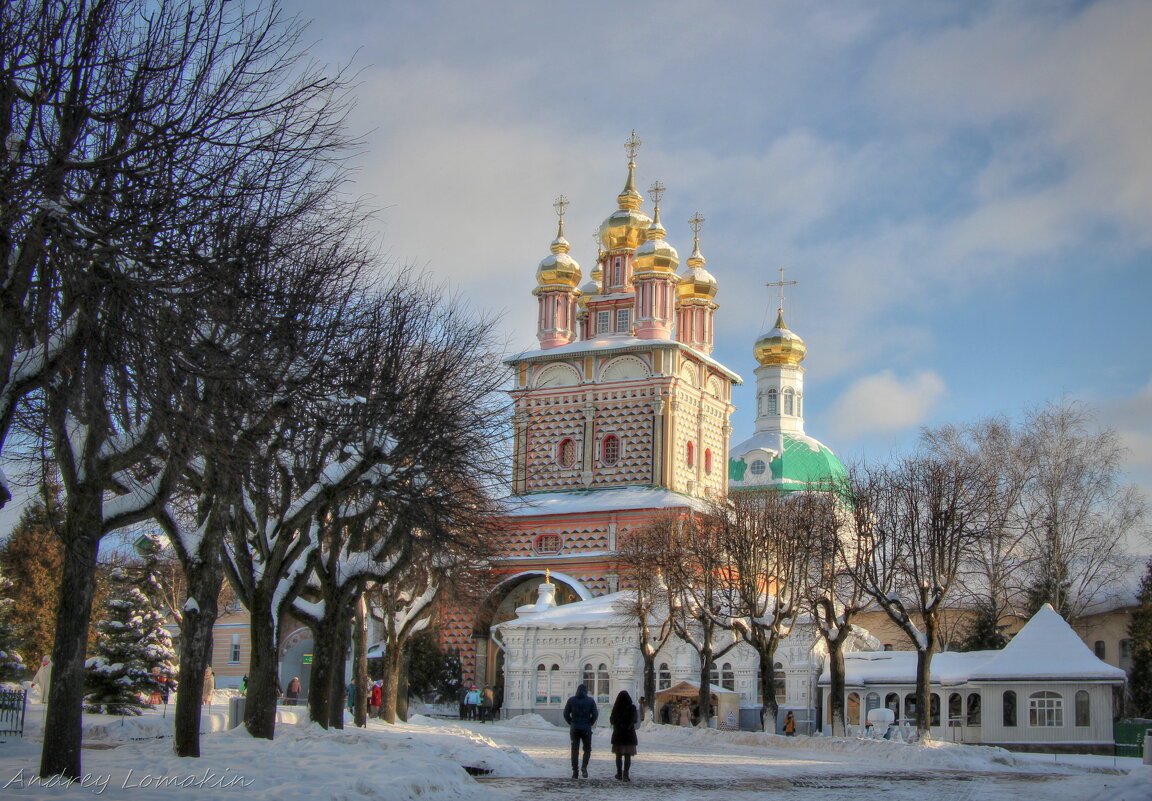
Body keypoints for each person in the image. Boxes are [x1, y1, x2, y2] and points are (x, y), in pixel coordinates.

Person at [563, 683, 598, 779]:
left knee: (574, 749)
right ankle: (584, 766)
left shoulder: (571, 700)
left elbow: (566, 714)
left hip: (575, 728)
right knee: (587, 749)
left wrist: (571, 722)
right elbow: (595, 714)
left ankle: (575, 771)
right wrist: (590, 723)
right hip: (586, 728)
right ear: (586, 691)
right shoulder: (590, 701)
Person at [609, 690, 638, 781]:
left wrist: (619, 723)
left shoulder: (616, 708)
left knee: (618, 755)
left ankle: (619, 773)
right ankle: (626, 774)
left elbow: (612, 720)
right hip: (629, 734)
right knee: (627, 755)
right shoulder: (632, 707)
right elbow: (635, 720)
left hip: (619, 734)